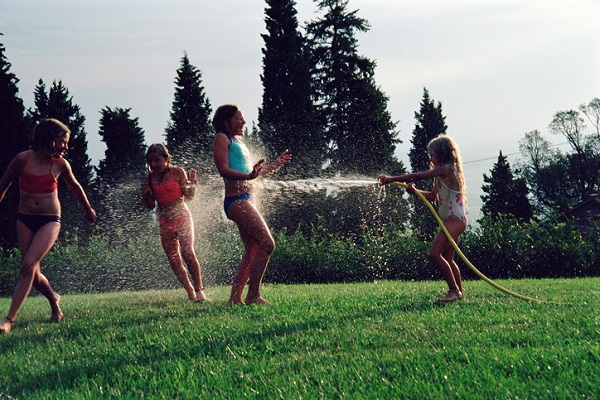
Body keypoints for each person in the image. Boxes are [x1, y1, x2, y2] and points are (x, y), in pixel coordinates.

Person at [0, 118, 97, 334]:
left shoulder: (60, 164)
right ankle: (53, 299)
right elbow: (3, 185)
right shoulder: (22, 159)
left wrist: (88, 208)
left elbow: (75, 187)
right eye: (63, 141)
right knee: (32, 274)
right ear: (50, 139)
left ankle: (8, 320)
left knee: (27, 266)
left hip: (50, 221)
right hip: (24, 219)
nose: (66, 146)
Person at [212, 104, 291, 306]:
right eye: (239, 118)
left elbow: (252, 174)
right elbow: (223, 169)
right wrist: (248, 176)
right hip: (236, 201)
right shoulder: (222, 137)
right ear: (226, 121)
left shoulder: (239, 142)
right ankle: (253, 296)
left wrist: (274, 165)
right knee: (267, 243)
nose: (244, 122)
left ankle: (234, 299)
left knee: (254, 249)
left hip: (246, 199)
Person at [378, 134, 468, 303]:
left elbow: (418, 176)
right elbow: (433, 197)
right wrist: (416, 192)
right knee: (448, 258)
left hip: (455, 220)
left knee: (433, 254)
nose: (430, 157)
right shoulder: (440, 175)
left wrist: (391, 180)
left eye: (432, 154)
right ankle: (458, 294)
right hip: (453, 220)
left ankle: (453, 290)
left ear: (441, 154)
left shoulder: (447, 168)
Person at [141, 143, 207, 302]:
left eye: (157, 160)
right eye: (150, 161)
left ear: (167, 159)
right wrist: (146, 197)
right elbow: (151, 206)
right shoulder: (149, 179)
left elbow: (189, 197)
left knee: (187, 252)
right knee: (174, 258)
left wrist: (192, 186)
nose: (153, 165)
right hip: (164, 220)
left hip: (182, 216)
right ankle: (190, 292)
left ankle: (199, 290)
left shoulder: (177, 172)